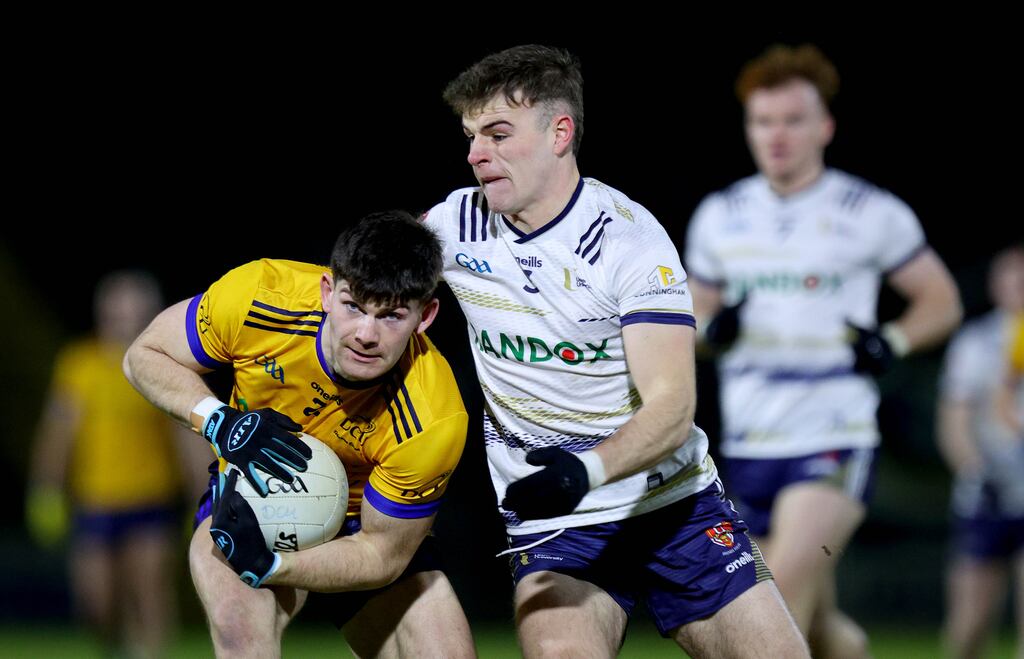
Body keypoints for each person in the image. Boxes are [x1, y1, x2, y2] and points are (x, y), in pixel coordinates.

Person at [423, 44, 809, 658]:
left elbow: (673, 407)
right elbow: (368, 288)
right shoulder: (456, 225)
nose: (475, 155)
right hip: (557, 528)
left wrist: (585, 471)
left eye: (497, 133)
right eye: (470, 136)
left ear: (560, 132)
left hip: (671, 504)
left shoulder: (630, 242)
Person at [684, 44, 963, 658]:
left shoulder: (869, 211)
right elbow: (694, 320)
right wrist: (710, 332)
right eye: (763, 121)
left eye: (792, 120)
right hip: (753, 438)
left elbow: (940, 302)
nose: (776, 135)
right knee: (819, 631)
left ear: (824, 127)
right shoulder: (720, 216)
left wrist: (891, 340)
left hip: (832, 431)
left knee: (768, 604)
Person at [123, 212, 475, 658]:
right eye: (354, 306)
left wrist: (277, 566)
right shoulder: (261, 296)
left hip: (361, 526)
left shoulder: (433, 416)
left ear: (425, 317)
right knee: (240, 632)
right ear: (328, 292)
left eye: (391, 316)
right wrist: (219, 420)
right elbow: (144, 356)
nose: (366, 334)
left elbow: (381, 555)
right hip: (252, 503)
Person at [26, 270, 209, 658]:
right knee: (97, 602)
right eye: (118, 310)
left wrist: (205, 492)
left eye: (135, 311)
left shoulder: (163, 365)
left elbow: (186, 433)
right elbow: (58, 434)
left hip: (152, 498)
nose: (125, 319)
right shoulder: (80, 365)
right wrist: (45, 489)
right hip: (94, 500)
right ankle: (117, 650)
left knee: (150, 592)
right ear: (102, 313)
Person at [937, 246, 1024, 659]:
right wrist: (974, 469)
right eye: (1010, 278)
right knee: (969, 625)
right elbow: (955, 418)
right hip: (988, 489)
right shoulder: (976, 341)